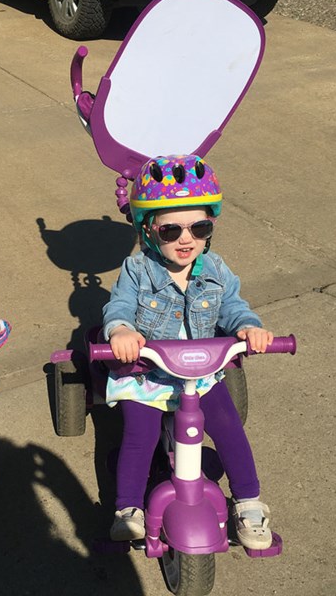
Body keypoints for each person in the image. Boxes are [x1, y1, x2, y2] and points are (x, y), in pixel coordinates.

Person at [101, 154, 276, 550]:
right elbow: (119, 307)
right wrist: (122, 330)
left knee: (230, 427)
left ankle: (248, 502)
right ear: (148, 230)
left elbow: (232, 304)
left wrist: (247, 326)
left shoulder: (214, 267)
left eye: (199, 227)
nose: (186, 239)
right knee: (139, 435)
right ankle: (128, 507)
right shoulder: (137, 270)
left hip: (200, 373)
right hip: (147, 375)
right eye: (171, 230)